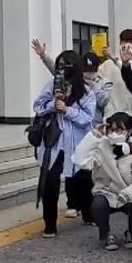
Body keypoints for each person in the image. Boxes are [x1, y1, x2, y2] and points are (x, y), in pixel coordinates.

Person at [32, 50, 97, 236]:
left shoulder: (86, 92)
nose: (63, 68)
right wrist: (52, 105)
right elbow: (38, 106)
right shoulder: (52, 85)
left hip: (77, 145)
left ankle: (88, 212)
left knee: (83, 181)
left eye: (67, 65)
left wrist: (67, 110)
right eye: (60, 65)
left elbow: (87, 118)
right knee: (49, 183)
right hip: (54, 143)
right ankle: (50, 224)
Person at [74, 112, 132, 251]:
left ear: (129, 131)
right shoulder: (101, 145)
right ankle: (106, 234)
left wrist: (128, 193)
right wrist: (94, 135)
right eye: (111, 129)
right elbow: (80, 160)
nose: (114, 133)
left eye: (119, 130)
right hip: (107, 192)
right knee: (98, 205)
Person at [30, 39, 114, 124]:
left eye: (91, 71)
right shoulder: (74, 78)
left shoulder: (104, 83)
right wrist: (43, 56)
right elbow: (58, 71)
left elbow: (103, 102)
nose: (88, 74)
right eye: (86, 70)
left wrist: (93, 85)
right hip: (66, 123)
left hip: (94, 124)